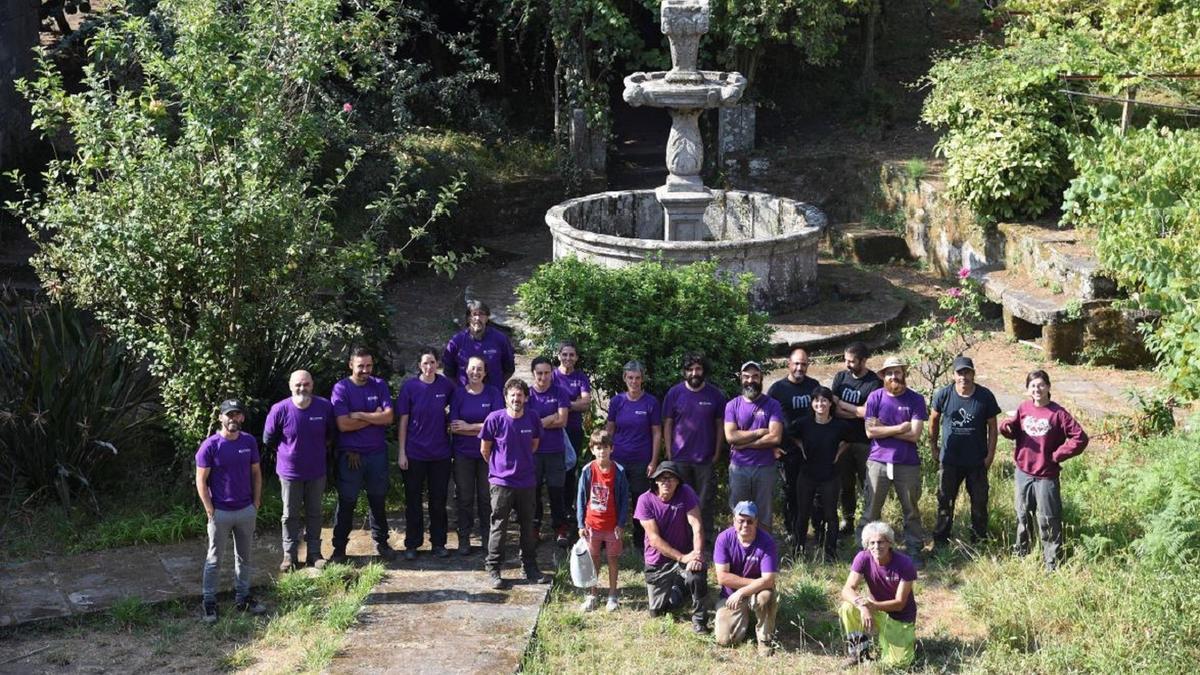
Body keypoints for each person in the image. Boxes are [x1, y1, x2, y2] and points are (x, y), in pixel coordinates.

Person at [999, 370, 1088, 570]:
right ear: (1028, 389)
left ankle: (1052, 562)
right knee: (1022, 515)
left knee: (1049, 518)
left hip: (1046, 475)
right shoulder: (1024, 408)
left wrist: (1058, 455)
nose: (1037, 389)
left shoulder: (1058, 413)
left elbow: (1080, 438)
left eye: (1041, 385)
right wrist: (1005, 426)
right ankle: (1022, 555)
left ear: (1048, 387)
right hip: (1024, 472)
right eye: (1033, 386)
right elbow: (1012, 429)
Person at [196, 399, 265, 623]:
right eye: (229, 415)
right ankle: (209, 602)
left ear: (242, 418)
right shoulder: (210, 446)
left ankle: (243, 598)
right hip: (221, 512)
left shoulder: (249, 442)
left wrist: (255, 502)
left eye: (237, 415)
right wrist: (210, 509)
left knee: (245, 557)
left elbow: (256, 473)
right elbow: (201, 481)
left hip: (245, 510)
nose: (233, 419)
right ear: (220, 417)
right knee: (214, 559)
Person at [263, 370, 336, 572]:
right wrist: (289, 452)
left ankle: (314, 554)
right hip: (289, 473)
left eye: (306, 384)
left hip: (316, 471)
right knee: (289, 515)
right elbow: (268, 439)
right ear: (290, 386)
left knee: (315, 513)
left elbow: (331, 435)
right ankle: (290, 555)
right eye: (298, 385)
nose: (302, 388)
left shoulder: (324, 407)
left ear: (312, 385)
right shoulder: (279, 409)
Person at [480, 378, 549, 589]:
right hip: (501, 482)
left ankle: (530, 567)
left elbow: (534, 445)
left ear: (525, 398)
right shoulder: (494, 419)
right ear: (506, 397)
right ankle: (493, 568)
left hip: (527, 481)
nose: (516, 399)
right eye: (513, 395)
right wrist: (500, 469)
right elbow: (485, 449)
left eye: (520, 395)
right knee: (499, 526)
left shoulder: (533, 418)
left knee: (528, 527)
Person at [331, 347, 396, 563]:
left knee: (378, 500)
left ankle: (382, 543)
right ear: (351, 365)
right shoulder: (341, 388)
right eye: (360, 366)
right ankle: (339, 549)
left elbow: (388, 418)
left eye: (369, 366)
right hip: (351, 455)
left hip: (376, 454)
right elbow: (343, 424)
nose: (365, 370)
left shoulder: (379, 385)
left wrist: (359, 415)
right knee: (347, 502)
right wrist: (373, 416)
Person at [929, 356, 1001, 545]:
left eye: (967, 372)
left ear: (973, 374)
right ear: (953, 375)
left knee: (979, 503)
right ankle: (941, 541)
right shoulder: (943, 395)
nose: (964, 377)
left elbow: (993, 427)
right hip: (950, 460)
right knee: (945, 501)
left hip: (977, 461)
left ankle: (978, 540)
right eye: (960, 373)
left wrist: (990, 455)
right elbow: (933, 421)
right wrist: (933, 447)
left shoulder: (985, 396)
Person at [862, 357, 929, 558]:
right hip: (878, 461)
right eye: (889, 373)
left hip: (907, 463)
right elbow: (869, 432)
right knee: (871, 509)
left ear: (904, 374)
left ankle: (914, 550)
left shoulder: (916, 399)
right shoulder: (875, 397)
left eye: (897, 372)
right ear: (883, 376)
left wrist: (883, 428)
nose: (894, 376)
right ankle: (865, 551)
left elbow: (914, 435)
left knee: (911, 510)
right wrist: (899, 428)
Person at [634, 461, 709, 633]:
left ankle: (699, 620)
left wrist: (696, 554)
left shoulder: (686, 492)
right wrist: (681, 557)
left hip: (686, 554)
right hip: (658, 560)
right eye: (662, 478)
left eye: (671, 478)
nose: (666, 482)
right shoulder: (645, 500)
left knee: (696, 575)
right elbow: (654, 539)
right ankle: (678, 588)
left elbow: (697, 525)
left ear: (678, 482)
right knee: (657, 611)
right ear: (655, 481)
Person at [396, 348, 456, 560]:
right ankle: (412, 543)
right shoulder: (410, 387)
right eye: (425, 363)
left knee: (438, 501)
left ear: (438, 363)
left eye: (432, 362)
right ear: (419, 365)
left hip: (440, 454)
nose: (429, 367)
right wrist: (402, 452)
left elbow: (455, 408)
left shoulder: (446, 385)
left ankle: (438, 543)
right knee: (413, 501)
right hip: (414, 453)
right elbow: (403, 420)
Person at [662, 352, 726, 542]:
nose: (694, 372)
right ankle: (682, 538)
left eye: (698, 368)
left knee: (705, 500)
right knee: (681, 500)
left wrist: (716, 452)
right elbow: (667, 423)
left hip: (705, 458)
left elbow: (720, 425)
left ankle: (705, 539)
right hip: (680, 458)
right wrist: (669, 452)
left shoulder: (715, 394)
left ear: (704, 370)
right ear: (684, 372)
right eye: (690, 369)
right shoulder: (674, 393)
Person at [838, 521, 918, 668]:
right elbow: (847, 589)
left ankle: (896, 641)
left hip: (899, 617)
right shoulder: (863, 557)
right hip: (874, 610)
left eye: (881, 542)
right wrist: (862, 607)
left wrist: (873, 606)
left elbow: (900, 603)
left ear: (890, 543)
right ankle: (858, 653)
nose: (876, 547)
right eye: (872, 543)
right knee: (848, 607)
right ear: (867, 545)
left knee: (899, 663)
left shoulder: (905, 564)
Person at [449, 356, 504, 556]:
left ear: (485, 372)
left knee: (485, 497)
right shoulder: (458, 394)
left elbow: (498, 424)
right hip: (463, 454)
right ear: (466, 371)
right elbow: (455, 427)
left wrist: (470, 427)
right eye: (472, 369)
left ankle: (487, 538)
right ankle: (464, 539)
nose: (475, 372)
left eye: (480, 369)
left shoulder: (493, 393)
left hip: (488, 454)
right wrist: (483, 427)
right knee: (464, 497)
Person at [605, 360, 662, 551]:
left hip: (641, 461)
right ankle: (609, 539)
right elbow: (609, 430)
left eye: (638, 378)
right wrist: (605, 457)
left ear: (642, 379)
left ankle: (640, 542)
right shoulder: (617, 402)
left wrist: (654, 461)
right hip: (618, 460)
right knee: (614, 499)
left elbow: (656, 433)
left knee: (640, 502)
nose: (634, 382)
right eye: (630, 378)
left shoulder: (651, 402)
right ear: (624, 378)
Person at [767, 346, 821, 543]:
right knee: (791, 491)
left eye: (804, 364)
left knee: (815, 492)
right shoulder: (777, 389)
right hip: (787, 451)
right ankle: (792, 531)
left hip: (812, 451)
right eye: (796, 363)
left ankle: (817, 530)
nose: (800, 367)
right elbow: (767, 418)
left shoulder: (814, 385)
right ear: (788, 364)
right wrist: (771, 446)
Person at [724, 361, 784, 531]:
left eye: (755, 376)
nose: (751, 380)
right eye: (746, 376)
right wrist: (759, 433)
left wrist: (744, 444)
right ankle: (739, 551)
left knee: (764, 514)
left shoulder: (772, 405)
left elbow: (775, 437)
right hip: (738, 468)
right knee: (739, 513)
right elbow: (731, 436)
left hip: (765, 467)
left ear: (761, 378)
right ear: (741, 379)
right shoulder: (732, 405)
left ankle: (763, 552)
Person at [713, 501, 779, 656]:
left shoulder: (767, 542)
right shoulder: (723, 539)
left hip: (757, 592)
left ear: (756, 522)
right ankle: (746, 619)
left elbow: (769, 581)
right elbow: (722, 577)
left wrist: (742, 591)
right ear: (733, 520)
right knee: (725, 640)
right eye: (741, 521)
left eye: (750, 521)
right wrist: (757, 583)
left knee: (766, 596)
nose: (745, 525)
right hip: (730, 595)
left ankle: (765, 639)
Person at [576, 429, 630, 613]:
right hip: (592, 526)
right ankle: (592, 594)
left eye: (605, 447)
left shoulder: (619, 471)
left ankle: (613, 595)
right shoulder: (587, 470)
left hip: (612, 526)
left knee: (613, 559)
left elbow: (624, 500)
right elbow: (581, 498)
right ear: (592, 449)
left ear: (611, 449)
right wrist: (580, 524)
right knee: (594, 560)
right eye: (598, 448)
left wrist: (621, 524)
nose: (602, 451)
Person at [832, 342, 882, 535]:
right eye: (846, 360)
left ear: (863, 360)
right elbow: (834, 410)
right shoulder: (841, 378)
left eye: (852, 361)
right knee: (845, 484)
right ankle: (848, 519)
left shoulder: (873, 382)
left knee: (868, 484)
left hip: (865, 442)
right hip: (843, 441)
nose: (847, 365)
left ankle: (871, 522)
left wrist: (844, 404)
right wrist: (856, 413)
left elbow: (868, 413)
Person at [795, 387, 850, 558]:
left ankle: (830, 552)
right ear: (812, 403)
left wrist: (838, 453)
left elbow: (850, 439)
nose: (820, 404)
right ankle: (798, 550)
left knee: (831, 515)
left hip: (830, 475)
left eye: (824, 400)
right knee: (802, 513)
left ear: (830, 403)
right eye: (817, 400)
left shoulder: (838, 425)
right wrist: (801, 448)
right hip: (807, 475)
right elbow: (790, 435)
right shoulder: (803, 423)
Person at [528, 356, 572, 546]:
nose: (543, 377)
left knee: (557, 491)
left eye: (547, 373)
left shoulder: (560, 392)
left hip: (555, 450)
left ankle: (560, 528)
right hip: (533, 451)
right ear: (533, 374)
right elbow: (526, 425)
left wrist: (540, 422)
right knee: (533, 492)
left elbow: (563, 421)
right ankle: (534, 528)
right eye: (539, 373)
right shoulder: (527, 394)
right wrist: (549, 418)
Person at [553, 340, 592, 521]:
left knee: (571, 468)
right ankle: (555, 508)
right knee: (554, 469)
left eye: (571, 355)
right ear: (558, 355)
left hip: (573, 429)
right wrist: (571, 404)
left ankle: (567, 507)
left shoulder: (580, 377)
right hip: (553, 429)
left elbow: (585, 403)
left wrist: (563, 405)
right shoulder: (551, 376)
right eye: (565, 354)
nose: (568, 358)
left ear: (576, 358)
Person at [443, 300, 515, 387]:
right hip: (465, 396)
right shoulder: (457, 341)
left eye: (481, 314)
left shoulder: (500, 339)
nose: (477, 318)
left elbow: (509, 368)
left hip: (493, 396)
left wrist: (497, 387)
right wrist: (460, 391)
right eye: (474, 314)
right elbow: (448, 372)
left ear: (487, 317)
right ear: (468, 318)